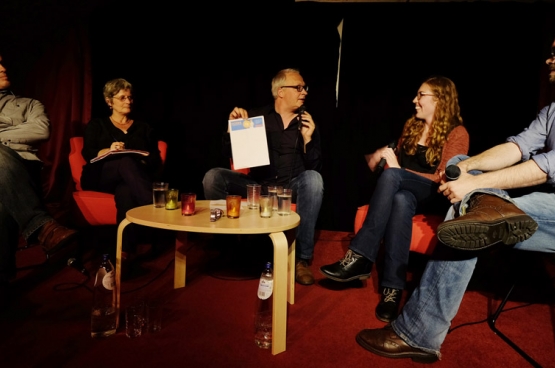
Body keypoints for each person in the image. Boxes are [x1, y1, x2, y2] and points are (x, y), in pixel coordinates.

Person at [354, 38, 555, 364]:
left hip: (541, 201)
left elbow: (547, 167)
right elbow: (516, 148)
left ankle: (415, 328)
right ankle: (484, 206)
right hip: (535, 197)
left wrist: (475, 183)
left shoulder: (454, 129)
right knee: (459, 170)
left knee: (462, 203)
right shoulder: (552, 111)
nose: (549, 60)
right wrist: (463, 168)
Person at [320, 76, 469, 322]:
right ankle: (392, 290)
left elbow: (445, 179)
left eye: (421, 95)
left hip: (433, 195)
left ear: (440, 99)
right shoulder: (412, 126)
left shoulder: (457, 133)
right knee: (400, 199)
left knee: (394, 176)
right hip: (406, 196)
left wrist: (397, 168)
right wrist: (381, 158)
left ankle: (359, 256)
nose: (415, 100)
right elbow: (388, 169)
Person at [202, 68, 324, 285]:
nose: (304, 91)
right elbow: (230, 155)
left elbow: (315, 166)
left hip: (291, 187)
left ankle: (301, 260)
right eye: (298, 87)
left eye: (304, 87)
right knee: (213, 177)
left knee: (314, 179)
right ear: (280, 91)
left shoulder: (307, 123)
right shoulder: (256, 117)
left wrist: (308, 139)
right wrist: (232, 131)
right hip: (258, 185)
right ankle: (228, 248)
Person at [0, 54, 78, 306]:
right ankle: (42, 227)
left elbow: (40, 130)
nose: (3, 68)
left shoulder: (29, 104)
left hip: (22, 170)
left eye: (3, 62)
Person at [81, 78, 162, 255]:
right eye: (122, 97)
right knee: (124, 162)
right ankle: (152, 207)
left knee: (125, 190)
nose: (128, 101)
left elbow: (155, 158)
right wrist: (107, 150)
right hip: (100, 176)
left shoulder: (144, 128)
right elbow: (87, 153)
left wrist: (141, 158)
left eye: (130, 97)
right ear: (109, 101)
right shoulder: (97, 125)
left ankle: (124, 251)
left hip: (132, 179)